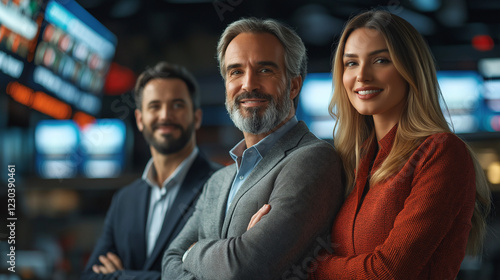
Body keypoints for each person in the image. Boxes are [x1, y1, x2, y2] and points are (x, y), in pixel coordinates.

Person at [303, 10, 491, 279]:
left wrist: (310, 266)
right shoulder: (354, 161)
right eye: (351, 63)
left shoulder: (441, 152)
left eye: (380, 60)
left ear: (410, 69)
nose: (362, 75)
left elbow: (388, 273)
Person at [162, 18, 344, 280]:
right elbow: (168, 262)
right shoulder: (217, 181)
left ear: (294, 85)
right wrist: (226, 256)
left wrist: (192, 254)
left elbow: (244, 268)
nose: (248, 84)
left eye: (265, 70)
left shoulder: (313, 159)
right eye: (235, 71)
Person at [82, 62, 221, 280]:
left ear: (196, 117)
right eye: (155, 106)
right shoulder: (124, 199)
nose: (165, 115)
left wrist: (120, 276)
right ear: (139, 119)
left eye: (177, 105)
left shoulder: (221, 186)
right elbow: (91, 276)